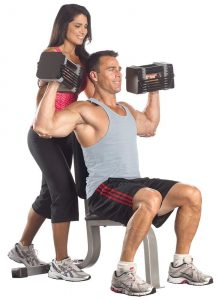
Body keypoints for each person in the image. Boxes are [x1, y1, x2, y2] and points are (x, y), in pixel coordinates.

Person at [33, 50, 213, 296]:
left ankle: (180, 264)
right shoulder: (85, 109)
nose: (118, 74)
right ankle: (123, 273)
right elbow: (44, 126)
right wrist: (53, 82)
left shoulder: (126, 109)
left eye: (119, 69)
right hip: (103, 189)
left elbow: (149, 126)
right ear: (94, 76)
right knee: (149, 197)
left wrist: (154, 89)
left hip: (133, 184)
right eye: (111, 69)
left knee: (191, 194)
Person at [8, 4, 94, 282]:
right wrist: (42, 124)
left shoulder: (84, 58)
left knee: (48, 195)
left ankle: (22, 248)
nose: (82, 31)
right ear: (64, 25)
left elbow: (90, 96)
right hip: (43, 135)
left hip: (66, 134)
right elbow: (43, 94)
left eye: (85, 26)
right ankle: (61, 262)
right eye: (77, 25)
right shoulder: (52, 55)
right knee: (64, 192)